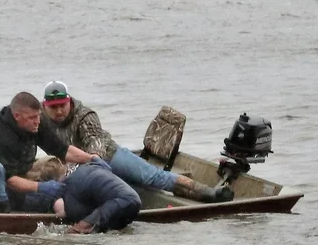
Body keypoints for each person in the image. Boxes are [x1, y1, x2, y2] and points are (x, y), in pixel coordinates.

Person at [38, 81, 233, 203]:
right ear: (44, 106)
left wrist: (77, 169)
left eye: (62, 106)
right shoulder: (37, 119)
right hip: (73, 167)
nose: (58, 111)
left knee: (152, 178)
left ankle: (208, 192)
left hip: (108, 156)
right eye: (53, 107)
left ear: (69, 101)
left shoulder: (85, 116)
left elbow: (96, 149)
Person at [0, 92, 96, 213]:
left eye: (38, 115)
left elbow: (63, 150)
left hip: (6, 177)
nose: (37, 121)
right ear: (17, 116)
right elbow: (9, 179)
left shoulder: (36, 125)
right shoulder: (1, 136)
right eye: (32, 118)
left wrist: (91, 158)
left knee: (40, 189)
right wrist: (41, 187)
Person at [25, 156, 142, 234]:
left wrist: (77, 227)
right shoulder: (88, 167)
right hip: (131, 201)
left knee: (72, 232)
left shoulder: (68, 189)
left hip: (123, 202)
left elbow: (66, 213)